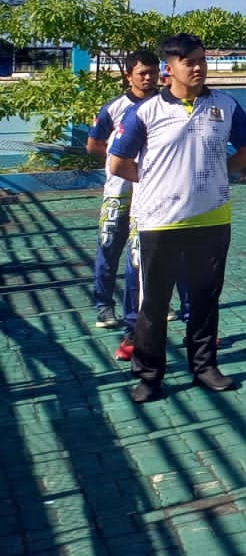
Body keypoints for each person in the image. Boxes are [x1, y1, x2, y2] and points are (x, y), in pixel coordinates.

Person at [107, 33, 246, 403]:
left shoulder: (225, 105)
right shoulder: (146, 111)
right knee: (154, 304)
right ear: (168, 68)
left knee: (205, 299)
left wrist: (215, 174)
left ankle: (204, 366)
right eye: (189, 62)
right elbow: (117, 163)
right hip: (159, 223)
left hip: (211, 220)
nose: (198, 68)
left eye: (202, 60)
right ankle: (148, 376)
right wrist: (158, 182)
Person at [85, 49, 163, 361]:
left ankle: (153, 304)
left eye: (153, 72)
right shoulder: (113, 108)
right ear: (128, 75)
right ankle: (104, 305)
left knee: (143, 255)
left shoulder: (164, 105)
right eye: (142, 73)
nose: (148, 78)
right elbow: (94, 144)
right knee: (109, 247)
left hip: (152, 194)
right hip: (118, 193)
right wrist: (119, 163)